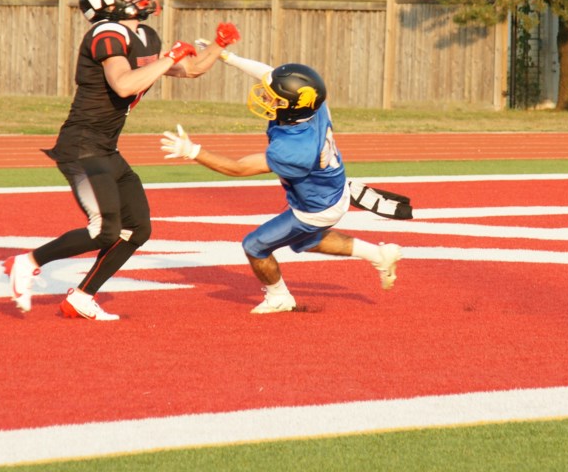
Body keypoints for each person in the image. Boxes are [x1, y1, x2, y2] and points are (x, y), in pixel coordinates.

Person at [4, 0, 240, 320]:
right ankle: (27, 262)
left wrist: (219, 45)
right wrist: (171, 57)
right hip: (81, 146)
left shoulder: (143, 35)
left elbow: (189, 70)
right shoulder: (106, 33)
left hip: (105, 148)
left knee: (137, 228)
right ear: (108, 2)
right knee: (104, 230)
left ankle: (82, 296)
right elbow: (124, 85)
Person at [160, 52, 402, 313]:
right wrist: (228, 57)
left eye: (272, 97)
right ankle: (379, 255)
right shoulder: (314, 106)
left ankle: (279, 297)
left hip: (316, 207)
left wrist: (193, 151)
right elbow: (269, 72)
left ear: (292, 105)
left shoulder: (294, 148)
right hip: (332, 189)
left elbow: (239, 168)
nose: (265, 97)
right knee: (305, 241)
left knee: (255, 245)